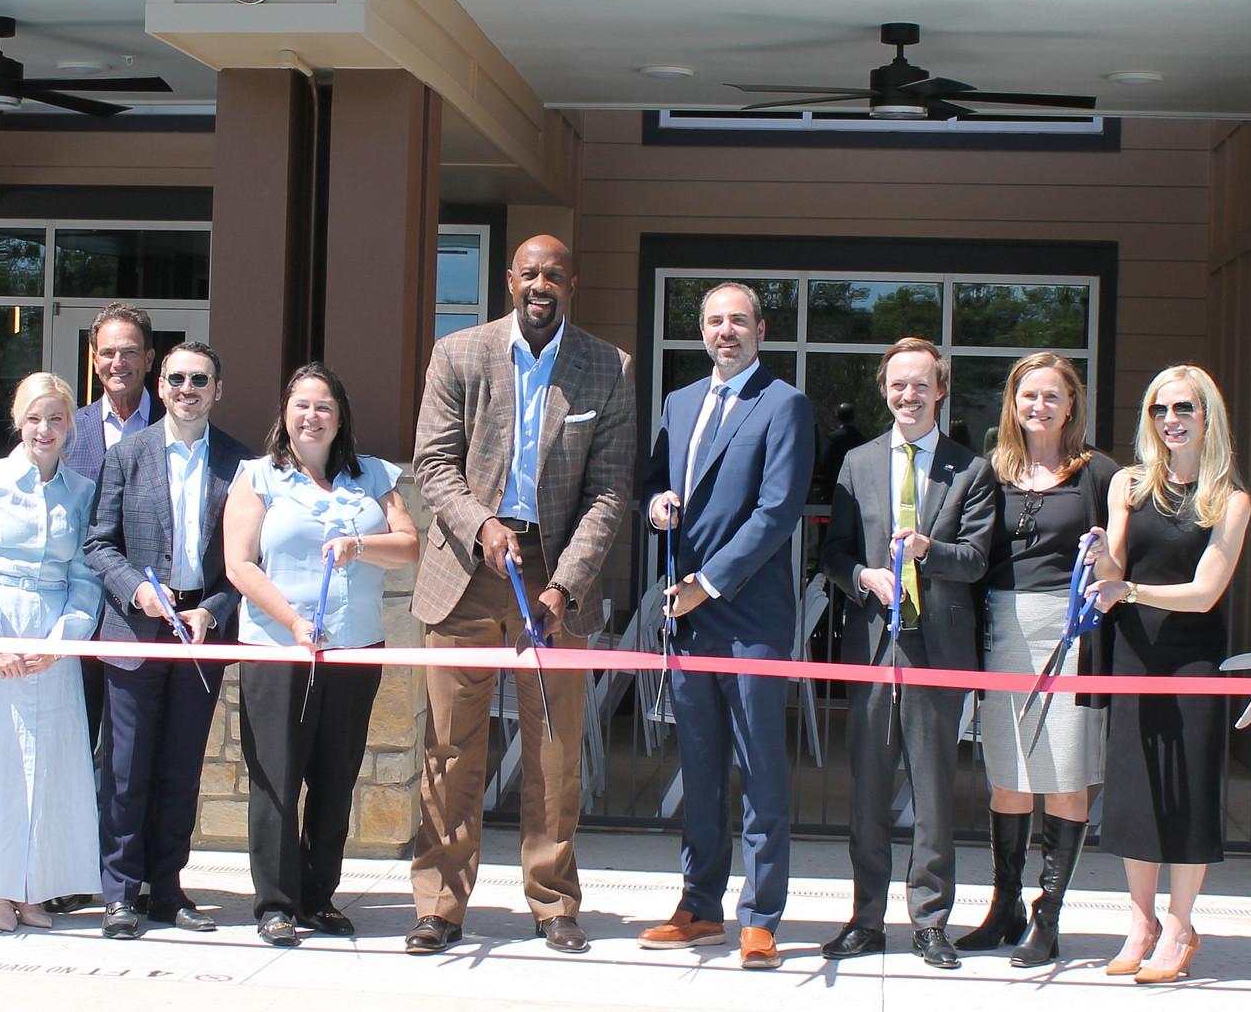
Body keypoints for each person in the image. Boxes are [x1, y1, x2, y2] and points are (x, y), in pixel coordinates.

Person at [406, 234, 636, 956]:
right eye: (531, 274)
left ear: (574, 284)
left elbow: (610, 490)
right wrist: (480, 527)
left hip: (553, 569)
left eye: (556, 276)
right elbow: (432, 463)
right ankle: (439, 906)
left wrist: (566, 581)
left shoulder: (609, 366)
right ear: (510, 281)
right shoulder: (459, 354)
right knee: (450, 747)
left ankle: (553, 902)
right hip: (467, 570)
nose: (543, 285)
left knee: (556, 751)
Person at [640, 282, 813, 970]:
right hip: (688, 618)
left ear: (761, 331)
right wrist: (659, 505)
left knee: (761, 770)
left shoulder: (785, 405)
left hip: (748, 616)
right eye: (715, 321)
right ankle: (700, 904)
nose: (726, 331)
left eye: (739, 320)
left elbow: (776, 513)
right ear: (703, 332)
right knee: (701, 767)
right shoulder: (681, 403)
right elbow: (655, 480)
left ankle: (761, 915)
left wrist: (707, 587)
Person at [224, 363, 421, 946]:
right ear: (285, 414)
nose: (311, 417)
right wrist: (292, 621)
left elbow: (408, 547)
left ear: (341, 418)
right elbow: (240, 564)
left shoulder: (375, 476)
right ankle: (276, 904)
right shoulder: (256, 478)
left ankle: (319, 897)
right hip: (278, 650)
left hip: (355, 650)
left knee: (336, 780)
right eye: (301, 405)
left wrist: (361, 545)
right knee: (277, 778)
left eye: (324, 407)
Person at [817, 337, 993, 969]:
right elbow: (832, 554)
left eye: (921, 385)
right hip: (872, 642)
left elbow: (974, 561)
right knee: (866, 790)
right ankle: (866, 920)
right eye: (898, 385)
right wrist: (865, 576)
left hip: (936, 647)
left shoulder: (969, 469)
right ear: (884, 390)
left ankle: (930, 923)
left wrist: (925, 551)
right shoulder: (858, 463)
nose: (908, 396)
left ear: (940, 389)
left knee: (934, 792)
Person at [1084, 364, 1251, 984]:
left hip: (1193, 657)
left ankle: (1180, 926)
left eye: (1183, 408)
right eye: (1159, 409)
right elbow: (1114, 569)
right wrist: (1102, 559)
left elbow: (1206, 592)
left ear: (1208, 416)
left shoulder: (1230, 499)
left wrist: (1127, 588)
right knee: (1133, 790)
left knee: (1186, 793)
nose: (1170, 421)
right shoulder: (1129, 484)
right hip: (1135, 652)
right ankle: (1141, 922)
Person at [84, 341, 252, 939]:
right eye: (177, 378)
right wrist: (137, 591)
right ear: (160, 386)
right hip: (136, 628)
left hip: (199, 632)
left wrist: (212, 608)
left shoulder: (240, 464)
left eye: (200, 379)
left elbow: (246, 562)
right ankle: (120, 893)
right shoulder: (128, 455)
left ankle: (167, 888)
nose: (187, 388)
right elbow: (98, 543)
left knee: (181, 768)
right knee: (126, 770)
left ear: (218, 389)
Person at [0, 373, 105, 931]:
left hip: (52, 636)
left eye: (56, 418)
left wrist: (63, 642)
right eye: (34, 418)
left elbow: (86, 576)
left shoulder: (81, 491)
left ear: (70, 427)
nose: (44, 429)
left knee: (50, 764)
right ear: (18, 420)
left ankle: (37, 887)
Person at [960, 352, 1117, 965]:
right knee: (1009, 777)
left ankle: (1046, 916)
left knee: (1067, 777)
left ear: (1071, 404)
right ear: (1013, 402)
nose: (1039, 406)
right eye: (1029, 395)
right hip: (1004, 628)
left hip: (1074, 631)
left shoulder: (1099, 473)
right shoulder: (990, 470)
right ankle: (1003, 906)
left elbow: (1119, 561)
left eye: (1053, 396)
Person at [64, 303, 163, 767]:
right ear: (93, 357)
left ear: (149, 359)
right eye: (107, 352)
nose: (117, 362)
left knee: (134, 761)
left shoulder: (175, 427)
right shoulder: (66, 430)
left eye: (129, 352)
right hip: (77, 612)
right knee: (74, 751)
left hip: (147, 616)